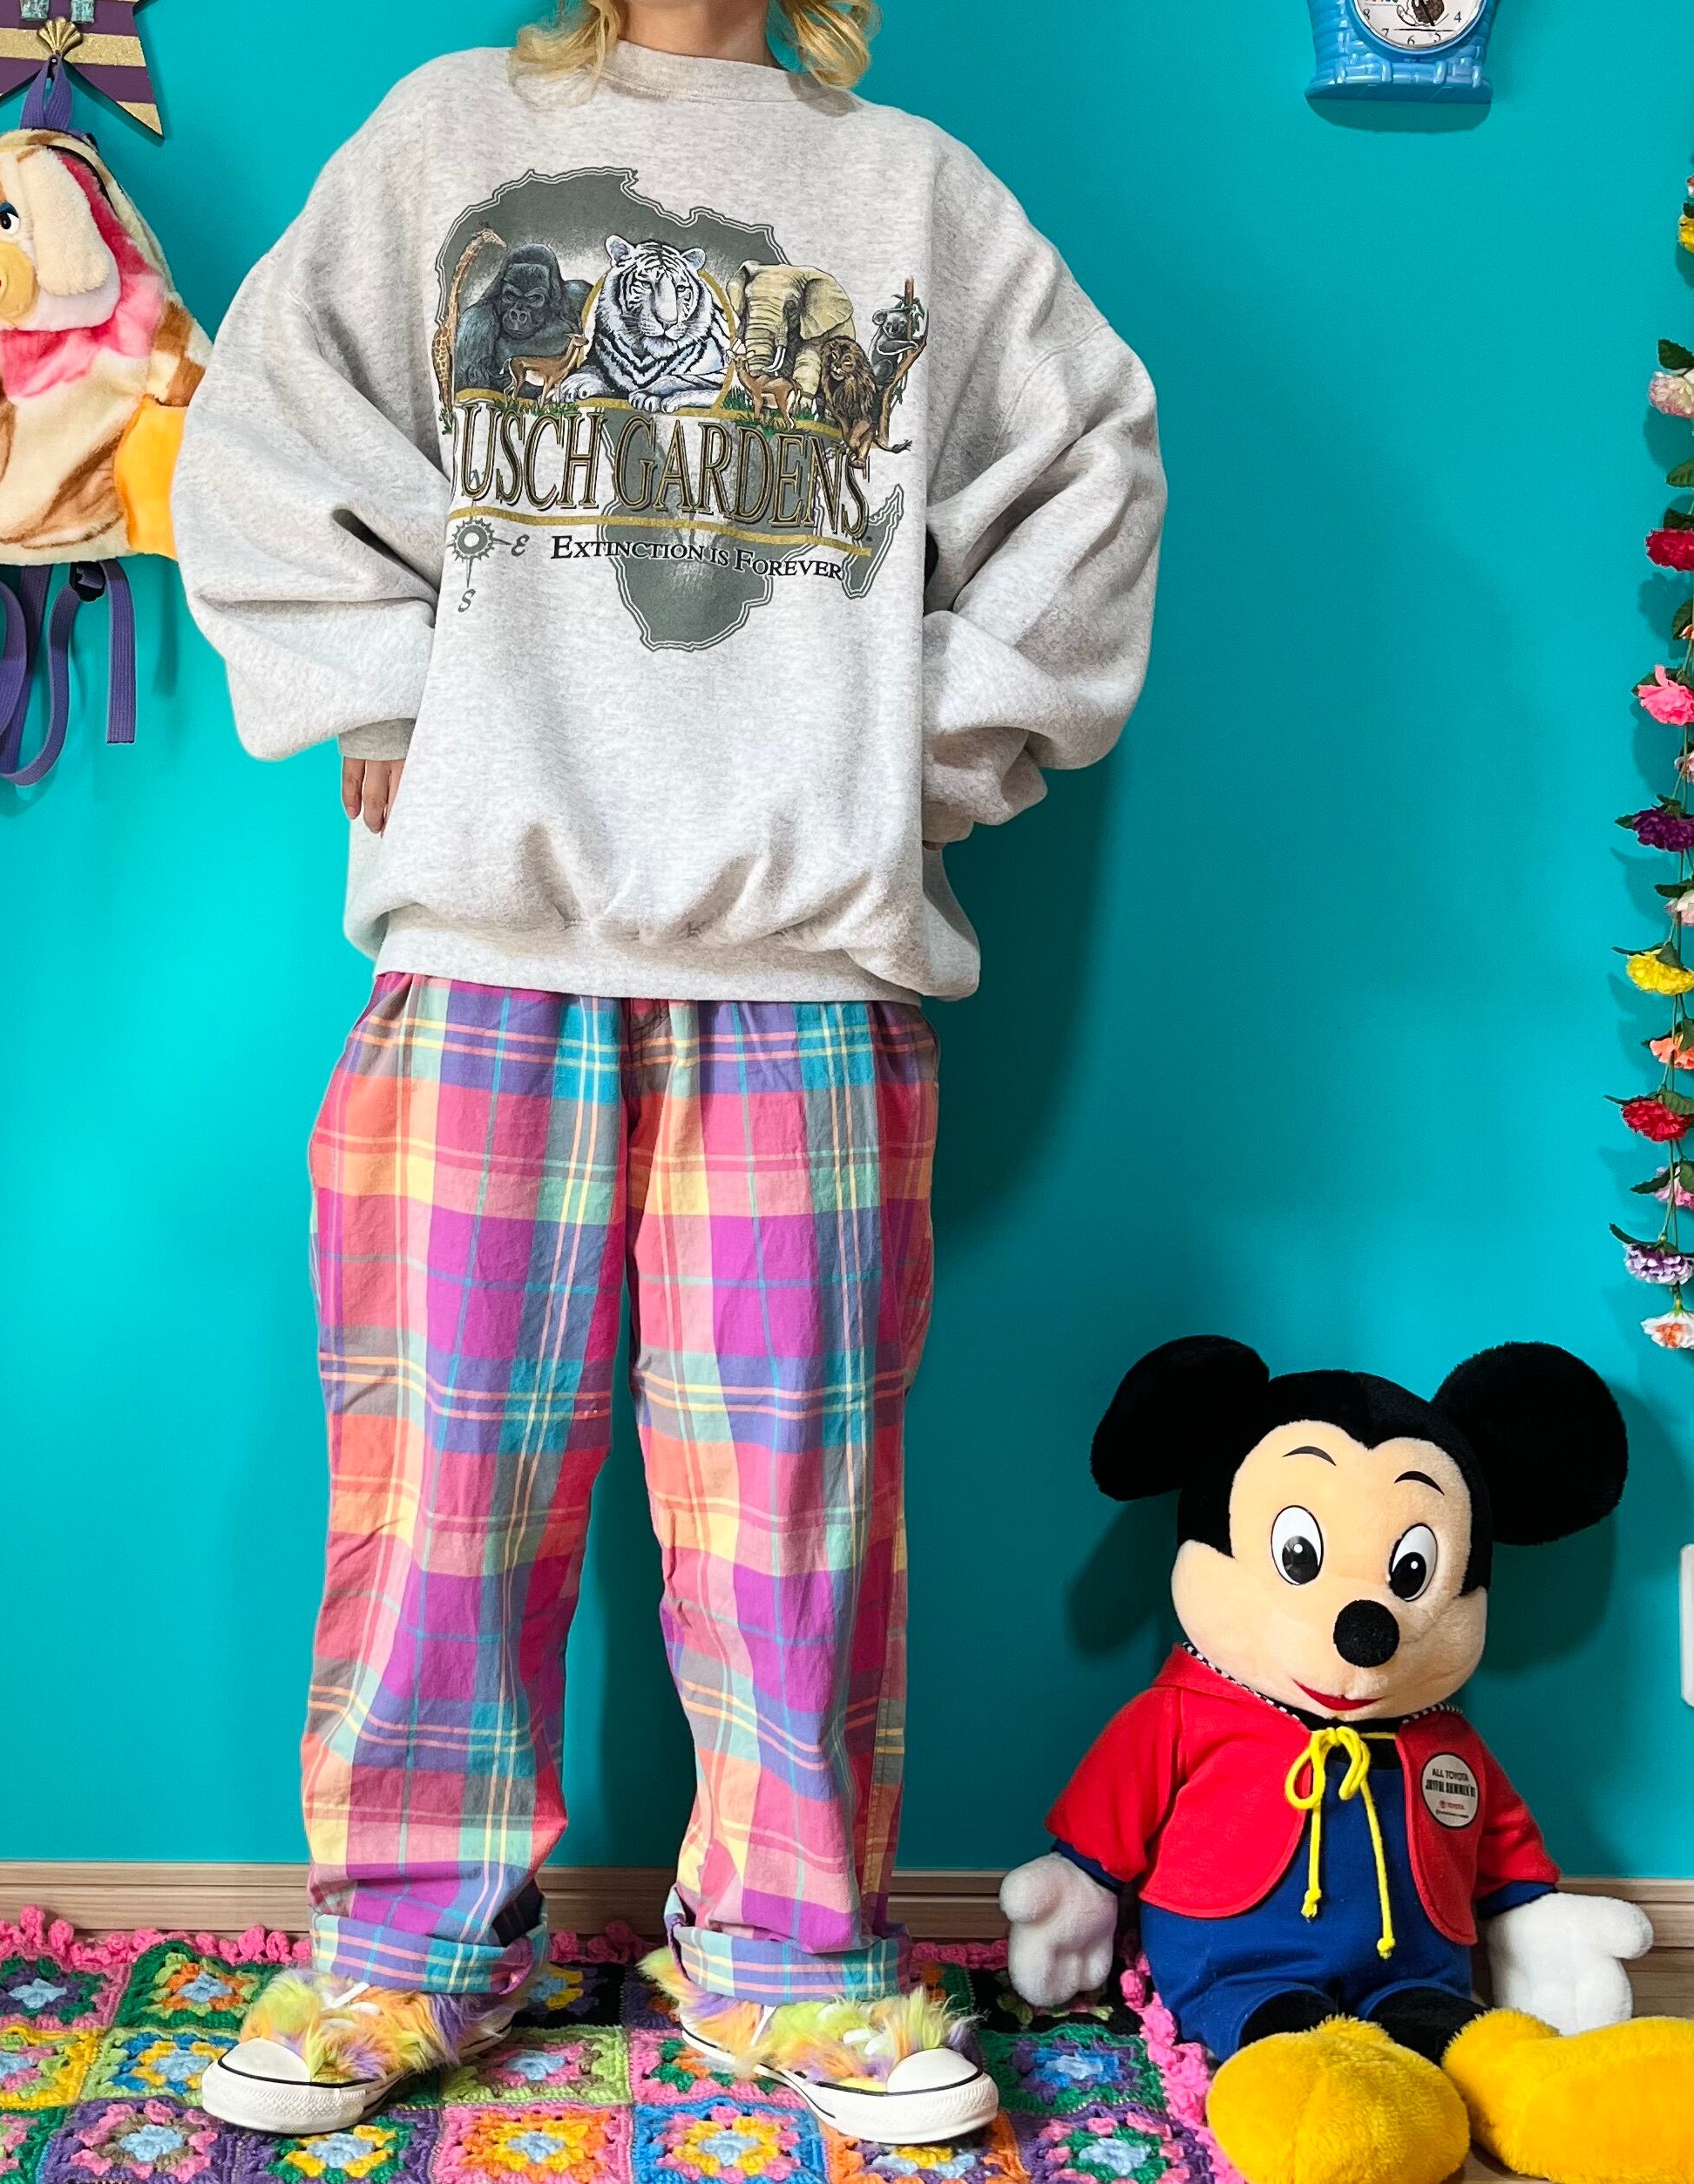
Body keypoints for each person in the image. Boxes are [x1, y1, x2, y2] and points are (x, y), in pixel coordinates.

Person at [171, 0, 1165, 2143]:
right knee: (443, 1480)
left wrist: (909, 760)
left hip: (802, 970)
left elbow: (1091, 465)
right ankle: (402, 1947)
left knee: (789, 1501)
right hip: (487, 944)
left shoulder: (902, 188)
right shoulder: (446, 138)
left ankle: (792, 1956)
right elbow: (264, 421)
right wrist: (373, 690)